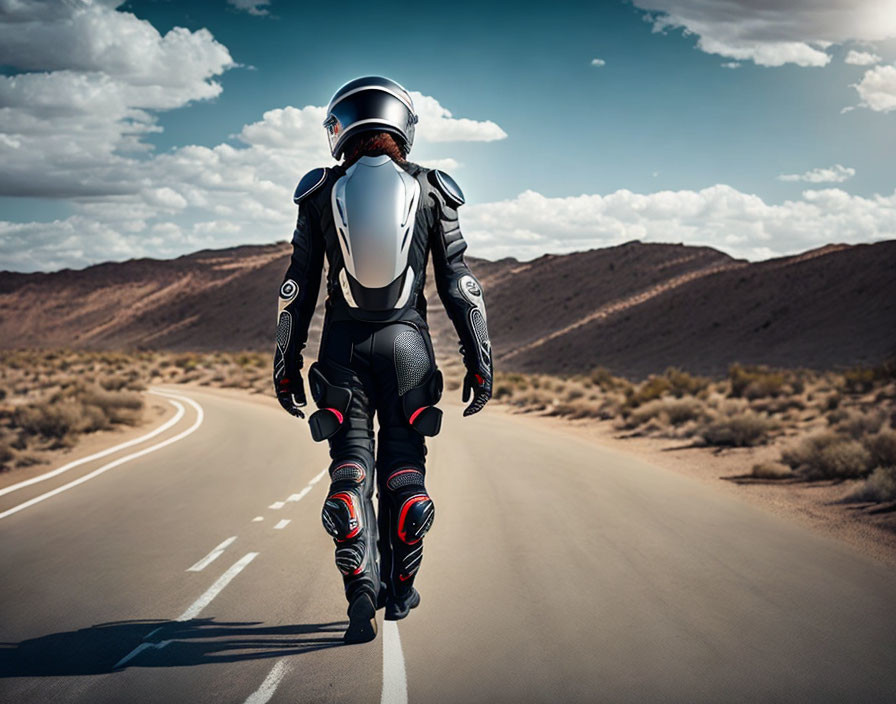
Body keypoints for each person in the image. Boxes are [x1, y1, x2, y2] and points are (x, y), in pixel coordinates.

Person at [272, 76, 493, 644]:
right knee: (404, 471)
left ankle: (361, 590)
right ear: (402, 126)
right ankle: (400, 589)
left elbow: (297, 286)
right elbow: (461, 285)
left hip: (341, 351)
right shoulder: (436, 190)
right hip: (408, 350)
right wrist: (479, 359)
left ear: (341, 128)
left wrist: (285, 362)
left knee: (352, 467)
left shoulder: (319, 191)